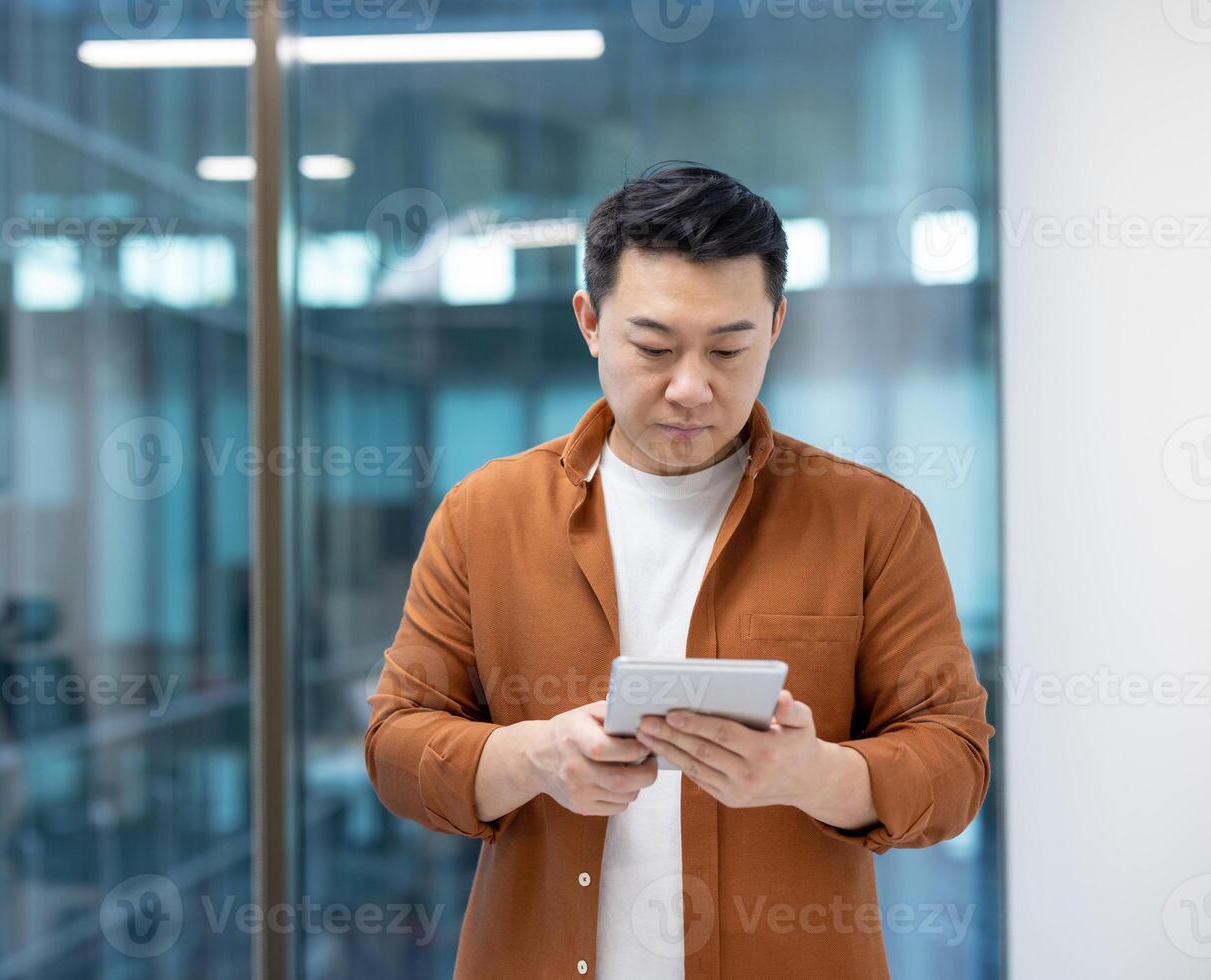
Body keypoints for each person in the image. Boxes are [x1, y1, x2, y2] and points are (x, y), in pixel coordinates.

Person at [364, 162, 993, 979]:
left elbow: (955, 765)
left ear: (776, 327)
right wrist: (533, 757)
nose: (691, 388)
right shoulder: (487, 515)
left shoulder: (872, 521)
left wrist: (816, 775)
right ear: (590, 321)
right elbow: (395, 748)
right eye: (653, 347)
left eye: (729, 347)